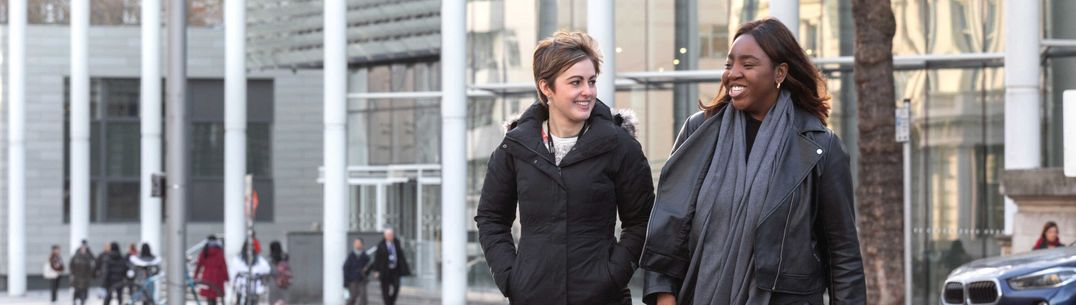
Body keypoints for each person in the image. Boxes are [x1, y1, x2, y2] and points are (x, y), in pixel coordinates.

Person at [640, 18, 866, 305]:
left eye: (747, 65)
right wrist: (664, 297)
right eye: (728, 64)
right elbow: (667, 228)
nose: (733, 74)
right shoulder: (698, 132)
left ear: (780, 72)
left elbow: (843, 254)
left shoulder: (820, 146)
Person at [474, 31, 655, 305]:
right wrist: (512, 278)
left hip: (602, 298)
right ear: (547, 88)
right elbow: (491, 218)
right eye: (575, 82)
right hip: (532, 296)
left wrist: (612, 275)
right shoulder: (515, 148)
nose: (588, 91)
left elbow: (641, 220)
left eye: (591, 81)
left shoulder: (620, 146)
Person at [371, 228, 411, 305]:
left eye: (391, 235)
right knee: (385, 290)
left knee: (396, 287)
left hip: (395, 270)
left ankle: (391, 302)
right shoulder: (381, 245)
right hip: (385, 270)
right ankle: (388, 303)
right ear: (385, 236)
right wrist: (376, 270)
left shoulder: (397, 243)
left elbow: (401, 256)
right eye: (388, 235)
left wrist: (404, 268)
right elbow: (377, 258)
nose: (390, 236)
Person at [230, 240, 272, 304]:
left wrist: (259, 275)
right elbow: (234, 272)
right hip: (242, 288)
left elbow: (266, 269)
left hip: (254, 288)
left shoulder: (258, 259)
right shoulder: (238, 259)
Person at [194, 235, 228, 305]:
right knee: (214, 295)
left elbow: (199, 264)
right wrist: (226, 277)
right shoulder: (220, 251)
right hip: (217, 276)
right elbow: (223, 265)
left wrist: (195, 276)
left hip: (207, 276)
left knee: (208, 296)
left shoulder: (205, 251)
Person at [344, 238, 371, 305]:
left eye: (359, 243)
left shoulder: (365, 256)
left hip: (362, 279)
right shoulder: (351, 256)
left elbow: (370, 266)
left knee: (363, 297)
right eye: (356, 243)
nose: (357, 245)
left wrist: (366, 269)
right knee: (353, 297)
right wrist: (346, 281)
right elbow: (345, 268)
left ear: (362, 245)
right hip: (352, 280)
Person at [70, 240, 96, 305]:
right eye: (82, 246)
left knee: (84, 290)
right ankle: (75, 301)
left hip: (85, 276)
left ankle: (83, 301)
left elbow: (94, 261)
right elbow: (71, 264)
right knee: (77, 290)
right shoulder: (77, 253)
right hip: (77, 276)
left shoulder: (88, 254)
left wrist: (91, 273)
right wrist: (73, 273)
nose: (83, 247)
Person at [269, 241, 292, 305]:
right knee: (283, 301)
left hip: (273, 284)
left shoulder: (270, 259)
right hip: (284, 284)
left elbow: (270, 271)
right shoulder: (285, 258)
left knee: (274, 302)